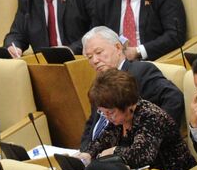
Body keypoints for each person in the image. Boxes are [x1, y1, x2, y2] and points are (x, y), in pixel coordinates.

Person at [77, 26, 183, 155]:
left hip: (130, 155)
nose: (94, 60)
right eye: (89, 57)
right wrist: (85, 153)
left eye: (98, 52)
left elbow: (174, 98)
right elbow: (93, 122)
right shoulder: (101, 83)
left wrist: (151, 138)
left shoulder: (141, 71)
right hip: (98, 155)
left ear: (117, 47)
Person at [84, 69, 195, 170]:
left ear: (126, 105)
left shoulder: (151, 116)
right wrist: (87, 155)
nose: (107, 117)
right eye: (103, 112)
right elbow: (102, 141)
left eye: (110, 112)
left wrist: (114, 151)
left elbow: (142, 155)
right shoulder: (119, 120)